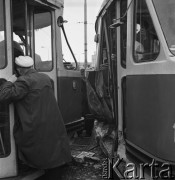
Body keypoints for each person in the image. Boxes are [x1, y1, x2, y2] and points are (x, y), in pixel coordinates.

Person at [0, 56, 71, 179]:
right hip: (50, 119)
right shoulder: (45, 77)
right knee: (52, 145)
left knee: (29, 141)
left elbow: (4, 96)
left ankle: (40, 167)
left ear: (20, 69)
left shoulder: (24, 81)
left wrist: (9, 81)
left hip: (35, 120)